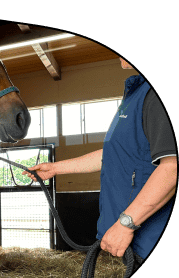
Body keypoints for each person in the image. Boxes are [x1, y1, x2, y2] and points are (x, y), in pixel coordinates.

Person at [24, 58, 176, 267]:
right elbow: (114, 154)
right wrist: (55, 168)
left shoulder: (156, 95)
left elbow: (172, 168)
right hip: (132, 240)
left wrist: (126, 224)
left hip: (149, 238)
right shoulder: (135, 94)